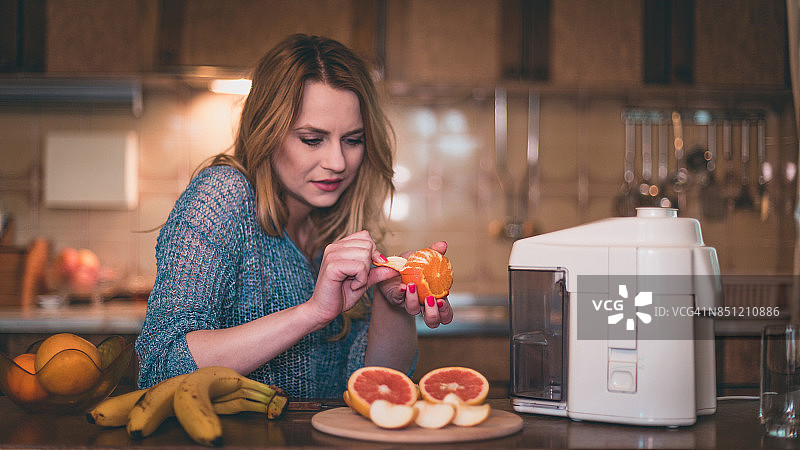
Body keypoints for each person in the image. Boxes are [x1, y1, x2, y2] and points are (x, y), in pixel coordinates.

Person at [135, 34, 453, 398]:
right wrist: (312, 312)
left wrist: (390, 304)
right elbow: (161, 367)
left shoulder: (338, 222)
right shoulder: (221, 197)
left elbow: (375, 386)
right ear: (267, 132)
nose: (337, 162)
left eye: (353, 139)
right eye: (312, 139)